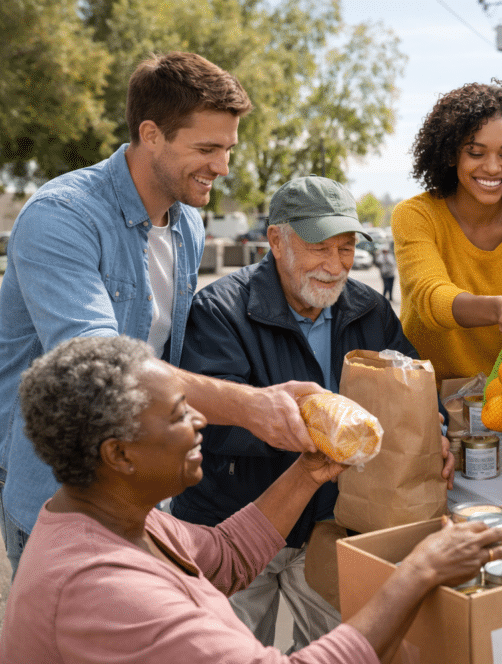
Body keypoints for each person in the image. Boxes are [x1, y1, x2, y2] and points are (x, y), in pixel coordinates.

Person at [0, 335, 502, 664]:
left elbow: (223, 556)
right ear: (120, 454)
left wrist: (308, 472)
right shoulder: (101, 590)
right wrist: (418, 571)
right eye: (180, 415)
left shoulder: (117, 518)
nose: (200, 421)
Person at [0, 51, 316, 575]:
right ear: (151, 134)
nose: (223, 167)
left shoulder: (187, 223)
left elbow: (169, 355)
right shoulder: (62, 218)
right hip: (60, 502)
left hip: (144, 497)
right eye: (207, 148)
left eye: (229, 148)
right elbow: (103, 367)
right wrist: (251, 406)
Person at [171, 176, 455, 650]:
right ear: (276, 240)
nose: (335, 265)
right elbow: (208, 426)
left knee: (334, 662)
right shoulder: (219, 309)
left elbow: (414, 391)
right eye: (319, 247)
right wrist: (312, 431)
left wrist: (435, 433)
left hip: (331, 526)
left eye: (345, 248)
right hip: (234, 527)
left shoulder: (370, 310)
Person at [392, 80, 502, 382]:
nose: (493, 168)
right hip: (426, 400)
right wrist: (497, 309)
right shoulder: (415, 216)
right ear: (451, 153)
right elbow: (432, 299)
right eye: (476, 153)